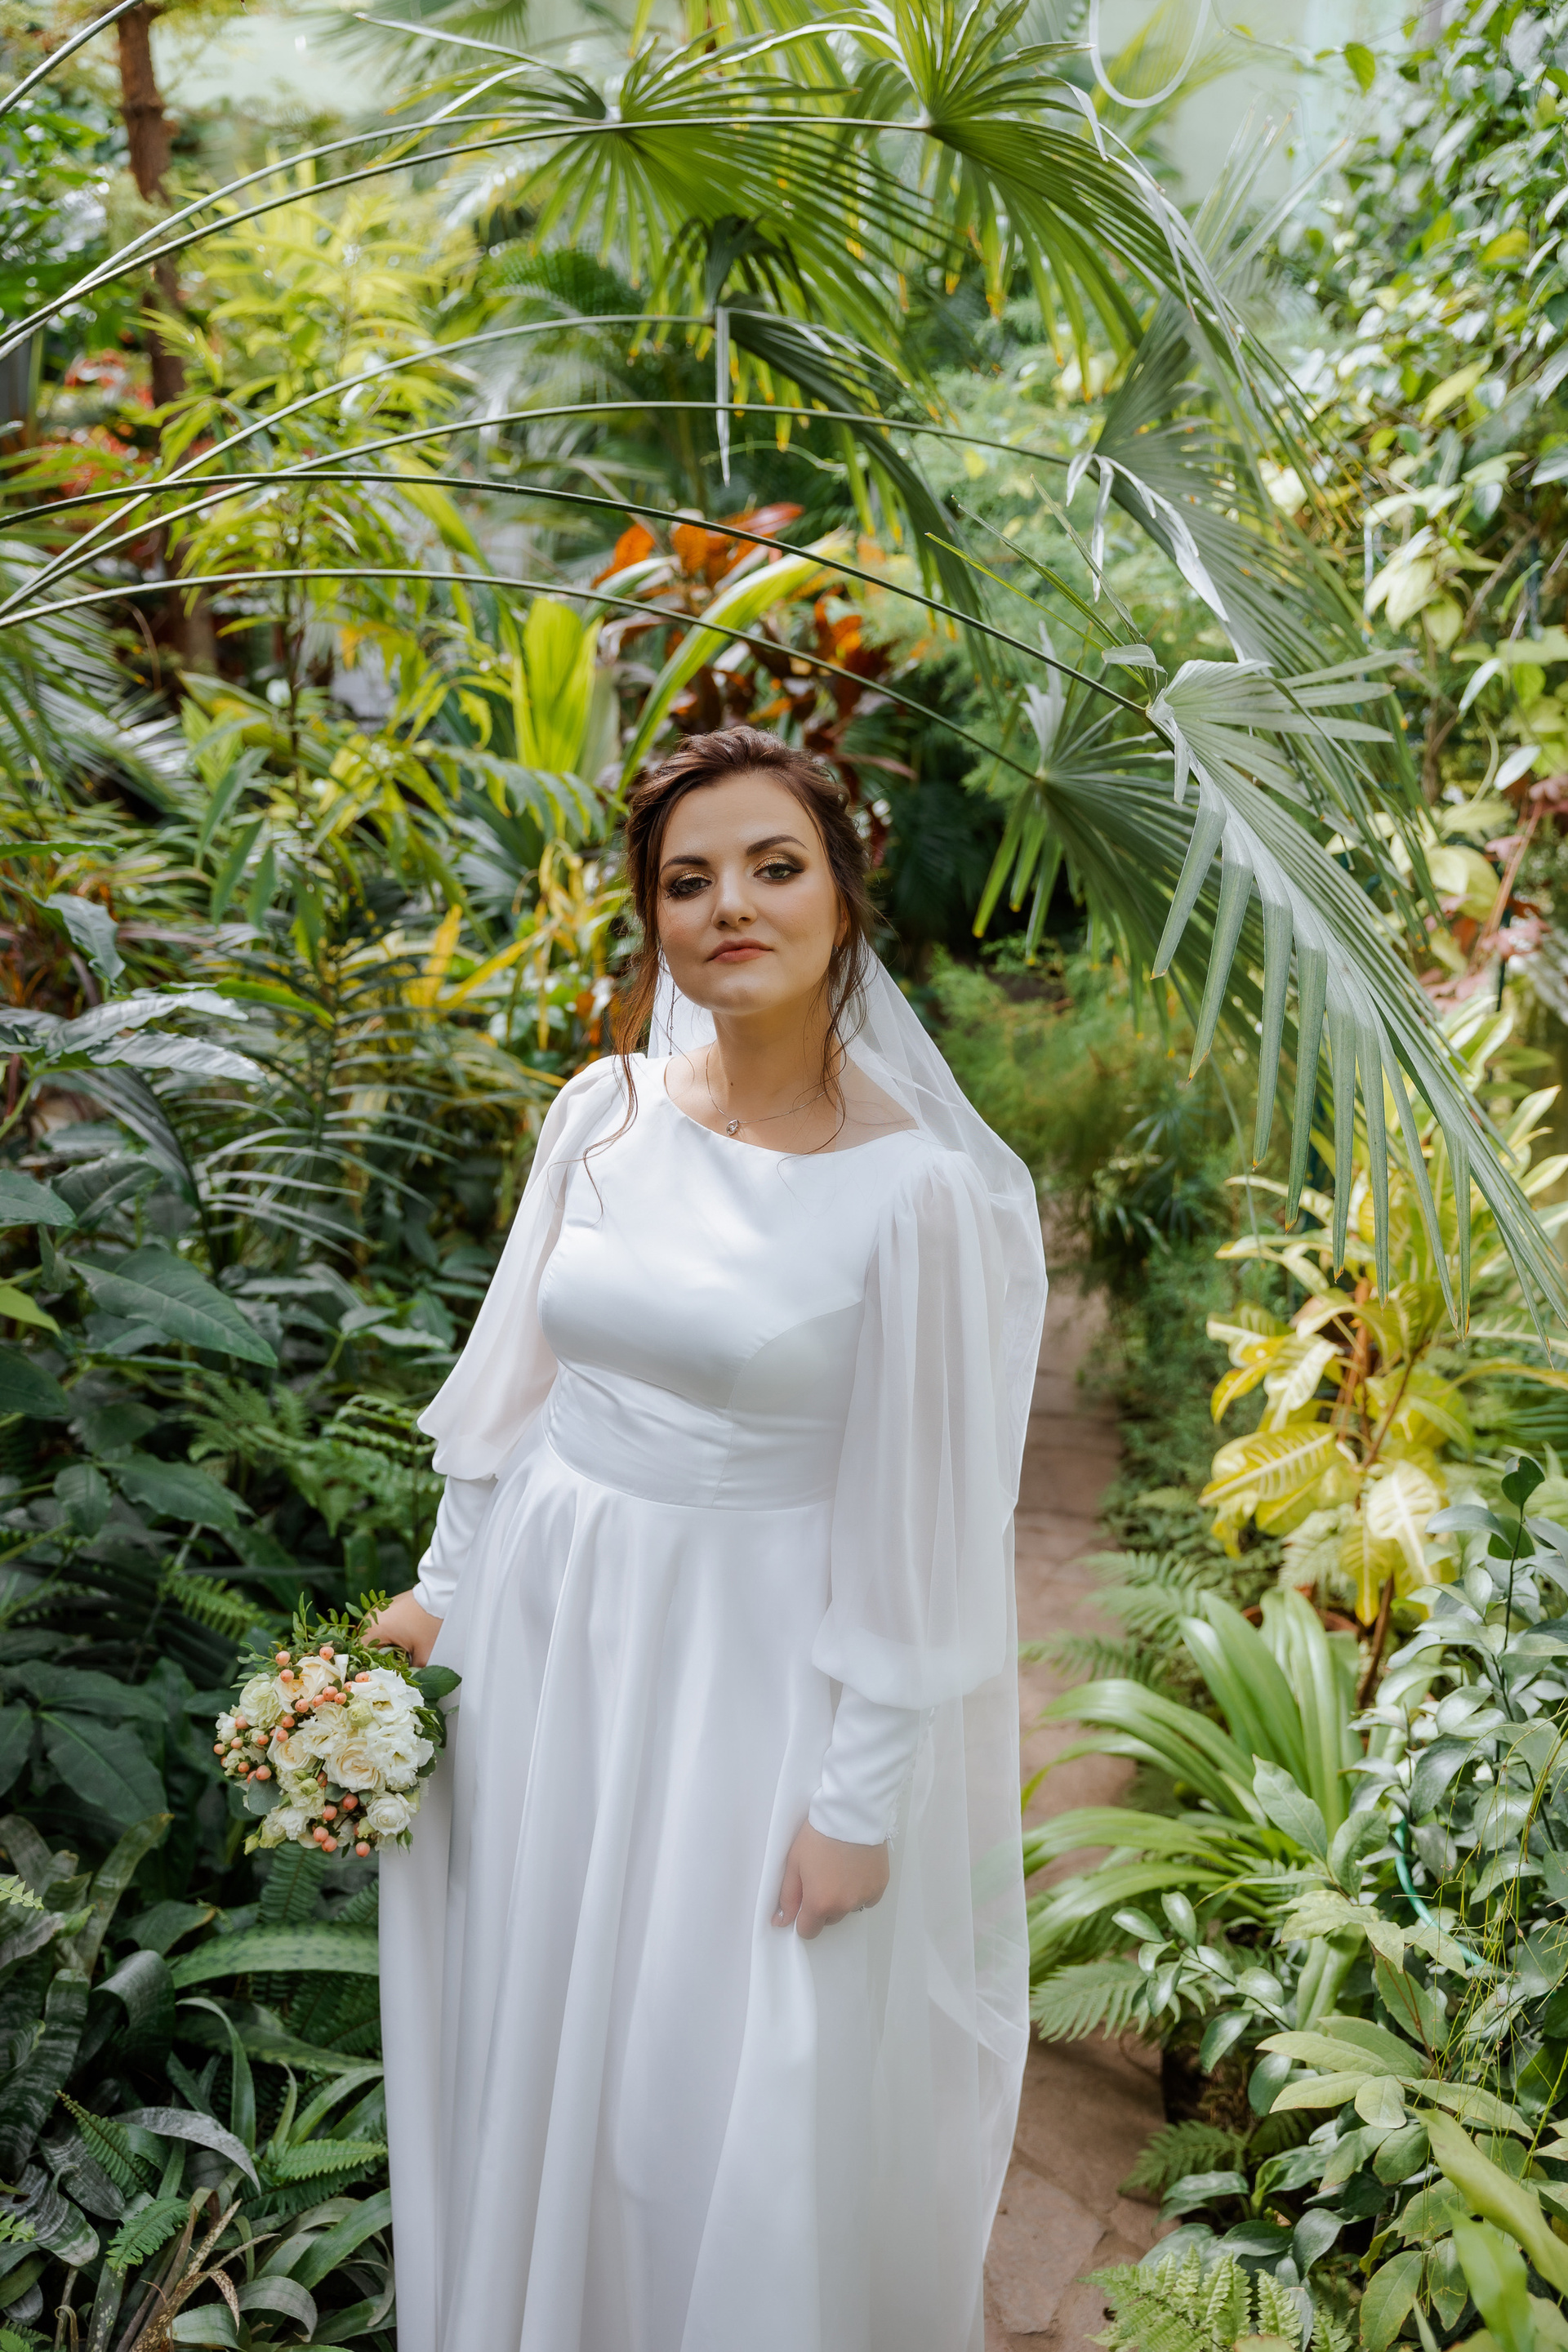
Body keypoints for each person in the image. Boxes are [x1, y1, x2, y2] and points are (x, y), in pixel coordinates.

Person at [369, 724, 1048, 2352]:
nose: (729, 905)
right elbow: (513, 1391)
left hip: (745, 1672)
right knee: (540, 2009)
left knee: (704, 2070)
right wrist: (444, 1595)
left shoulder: (914, 1195)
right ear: (653, 918)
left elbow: (923, 1527)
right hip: (550, 1636)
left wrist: (857, 1803)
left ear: (842, 901)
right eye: (688, 881)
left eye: (772, 867)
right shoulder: (599, 1116)